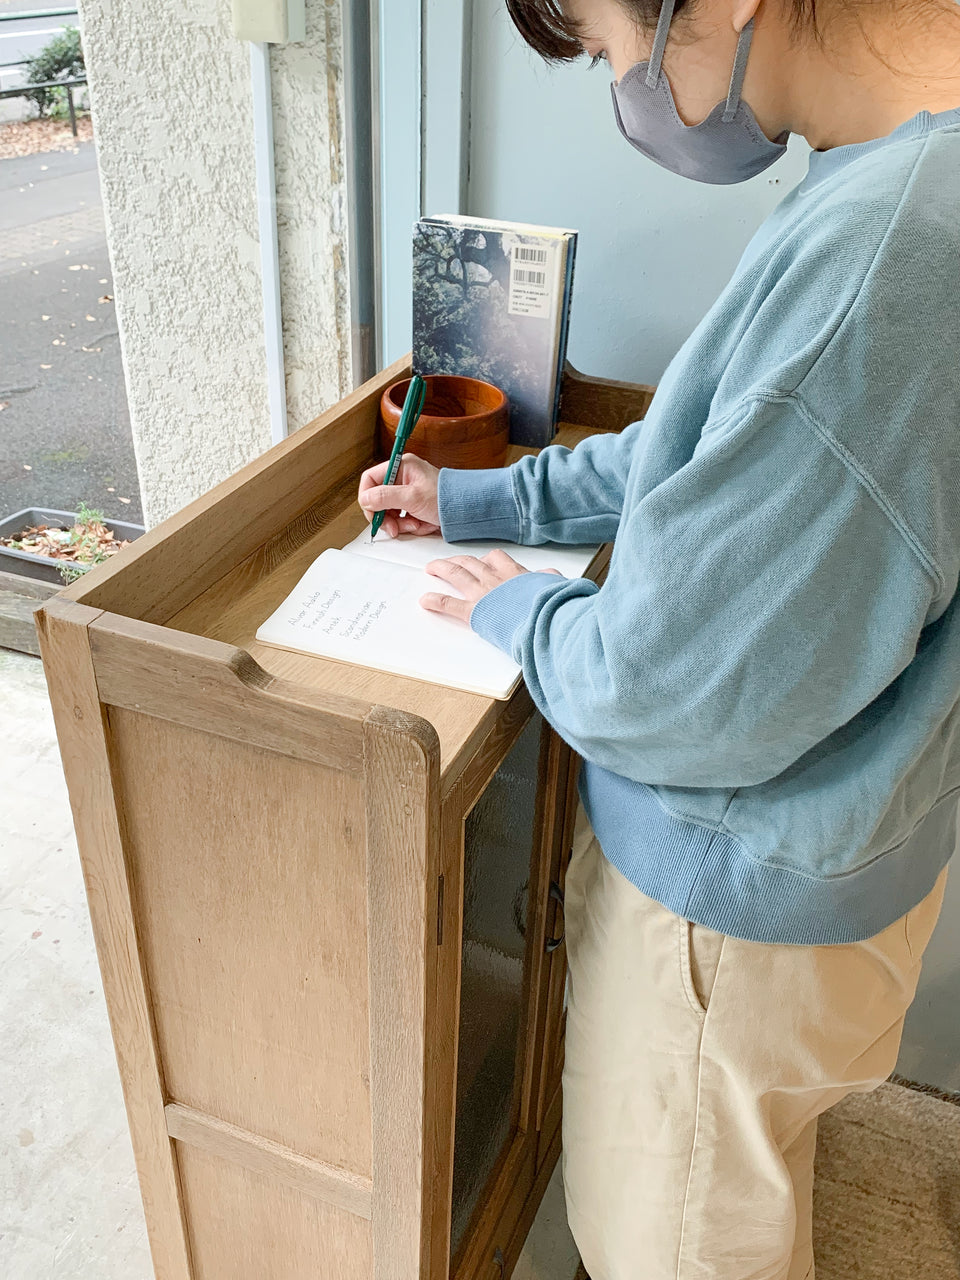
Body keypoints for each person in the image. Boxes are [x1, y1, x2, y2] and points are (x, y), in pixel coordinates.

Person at [357, 1, 960, 1275]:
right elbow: (710, 450)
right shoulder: (891, 176)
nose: (621, 89)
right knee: (749, 1182)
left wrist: (512, 603)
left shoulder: (884, 257)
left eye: (600, 44)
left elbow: (660, 686)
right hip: (845, 858)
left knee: (675, 1240)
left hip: (728, 933)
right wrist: (475, 499)